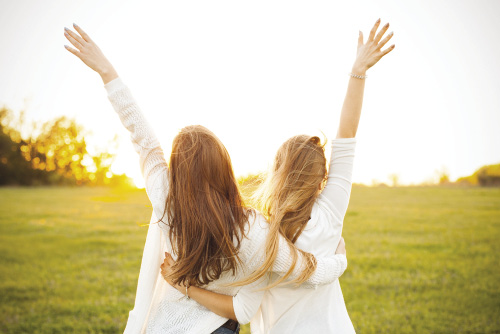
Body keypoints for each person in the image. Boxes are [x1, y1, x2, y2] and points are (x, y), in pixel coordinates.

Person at [63, 23, 349, 334]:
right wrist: (340, 263)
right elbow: (307, 270)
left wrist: (106, 71)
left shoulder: (166, 197)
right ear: (225, 169)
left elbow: (141, 135)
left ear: (177, 173)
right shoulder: (252, 230)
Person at [160, 18, 395, 333]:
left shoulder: (259, 234)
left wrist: (185, 285)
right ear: (322, 180)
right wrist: (358, 71)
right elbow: (347, 135)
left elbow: (242, 309)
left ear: (275, 171)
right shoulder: (329, 213)